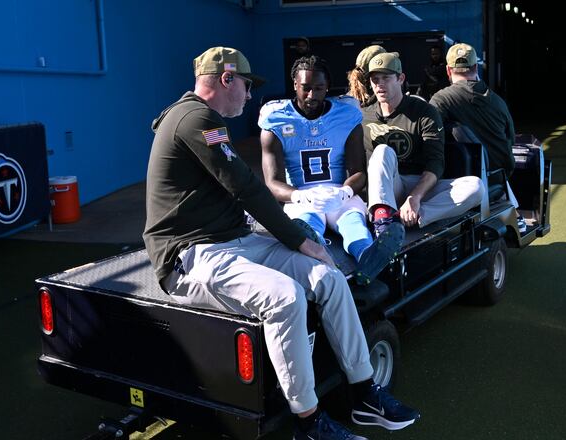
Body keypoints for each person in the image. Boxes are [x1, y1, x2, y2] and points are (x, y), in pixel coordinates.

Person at [143, 46, 420, 440]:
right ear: (226, 79)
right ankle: (308, 425)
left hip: (232, 240)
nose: (249, 94)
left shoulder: (202, 118)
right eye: (245, 84)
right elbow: (247, 186)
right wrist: (298, 240)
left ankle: (363, 393)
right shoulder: (196, 118)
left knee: (328, 276)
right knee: (286, 297)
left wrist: (307, 247)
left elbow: (243, 192)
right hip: (190, 255)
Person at [258, 55, 404, 285]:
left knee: (352, 221)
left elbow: (358, 172)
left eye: (319, 88)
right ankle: (315, 246)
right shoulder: (276, 118)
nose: (312, 95)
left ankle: (369, 256)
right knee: (305, 222)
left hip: (339, 192)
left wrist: (345, 192)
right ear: (294, 84)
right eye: (306, 88)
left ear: (328, 87)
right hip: (301, 195)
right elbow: (272, 182)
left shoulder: (345, 114)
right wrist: (299, 194)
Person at [361, 52, 484, 229]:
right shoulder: (362, 115)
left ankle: (407, 217)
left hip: (419, 184)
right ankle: (383, 221)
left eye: (386, 78)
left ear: (400, 78)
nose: (379, 84)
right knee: (382, 151)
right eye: (375, 79)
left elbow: (435, 163)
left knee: (476, 187)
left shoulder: (424, 112)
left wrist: (415, 198)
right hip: (386, 187)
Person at [428, 43, 523, 231]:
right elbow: (510, 140)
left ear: (448, 70)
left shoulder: (441, 100)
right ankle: (515, 212)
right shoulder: (498, 101)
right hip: (499, 175)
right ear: (475, 67)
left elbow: (429, 139)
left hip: (465, 177)